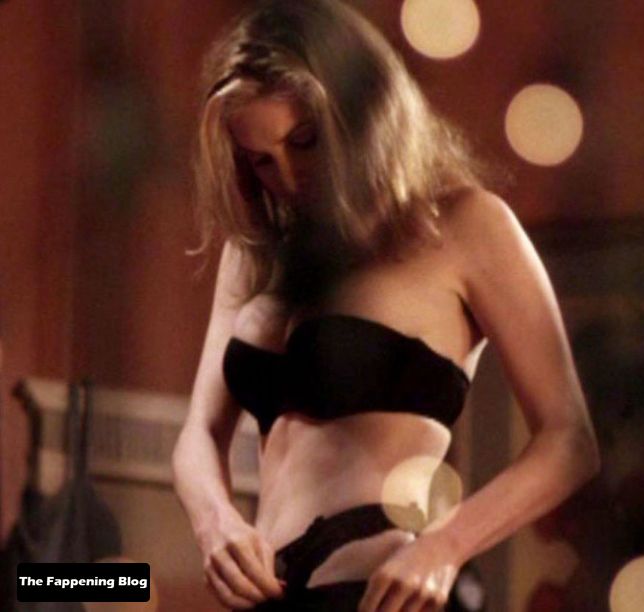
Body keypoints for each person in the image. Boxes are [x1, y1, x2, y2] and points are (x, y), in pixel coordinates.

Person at [171, 1, 601, 610]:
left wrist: (445, 547)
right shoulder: (258, 252)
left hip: (385, 589)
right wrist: (214, 523)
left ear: (360, 109)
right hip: (269, 595)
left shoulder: (463, 225)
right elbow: (198, 434)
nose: (288, 178)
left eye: (304, 141)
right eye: (262, 160)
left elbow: (569, 441)